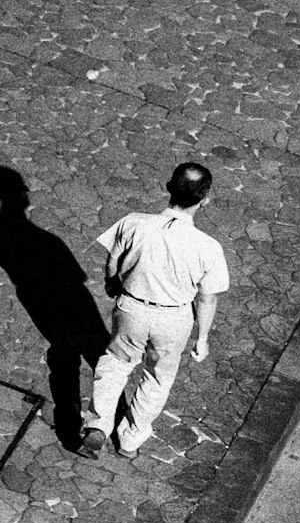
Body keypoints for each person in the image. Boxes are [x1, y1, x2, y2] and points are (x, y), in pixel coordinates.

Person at [82, 163, 229, 459]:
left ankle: (98, 424)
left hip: (132, 308)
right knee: (158, 378)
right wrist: (202, 339)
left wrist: (112, 284)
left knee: (115, 364)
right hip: (174, 319)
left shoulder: (134, 222)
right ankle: (130, 439)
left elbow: (113, 261)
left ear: (168, 186)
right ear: (205, 200)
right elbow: (207, 298)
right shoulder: (208, 247)